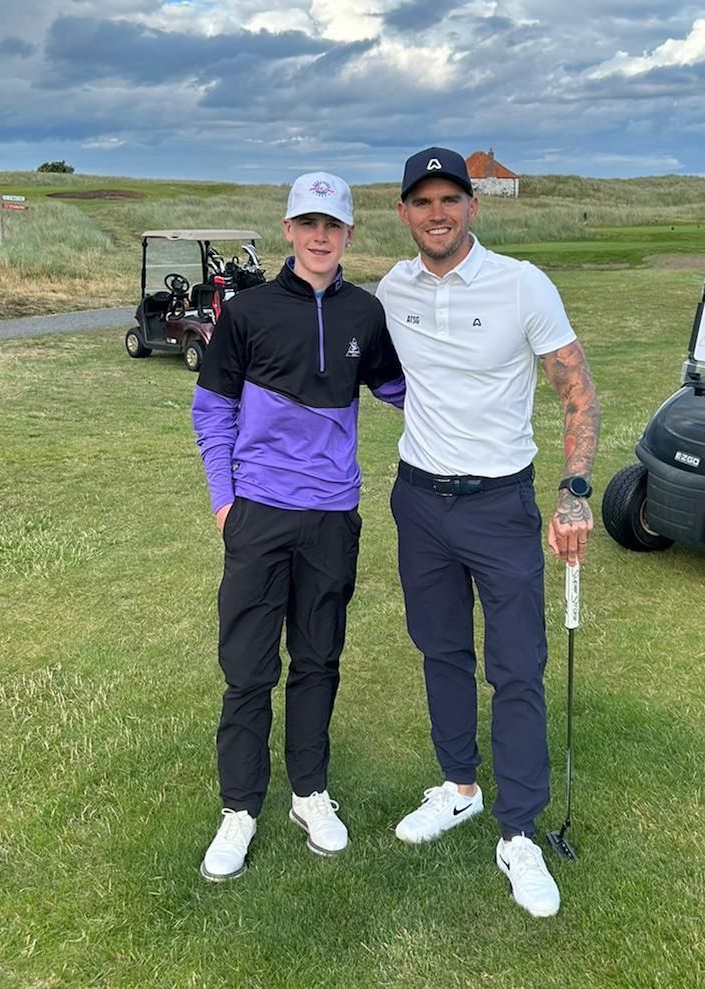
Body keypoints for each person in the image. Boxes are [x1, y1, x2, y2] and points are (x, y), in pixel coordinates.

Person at [376, 146, 599, 918]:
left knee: (516, 667)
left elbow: (576, 388)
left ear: (472, 206)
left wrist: (573, 492)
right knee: (439, 649)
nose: (437, 214)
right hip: (420, 502)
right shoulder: (393, 287)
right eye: (422, 201)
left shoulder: (521, 283)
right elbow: (389, 375)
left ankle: (519, 829)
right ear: (403, 211)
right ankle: (461, 787)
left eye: (451, 199)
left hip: (501, 506)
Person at [191, 171, 404, 882]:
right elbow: (211, 410)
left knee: (318, 658)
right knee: (248, 667)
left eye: (333, 224)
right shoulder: (247, 312)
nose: (320, 235)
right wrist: (226, 503)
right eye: (308, 222)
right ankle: (240, 808)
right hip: (257, 514)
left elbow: (405, 392)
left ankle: (309, 793)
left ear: (348, 233)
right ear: (288, 230)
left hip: (332, 516)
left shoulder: (365, 315)